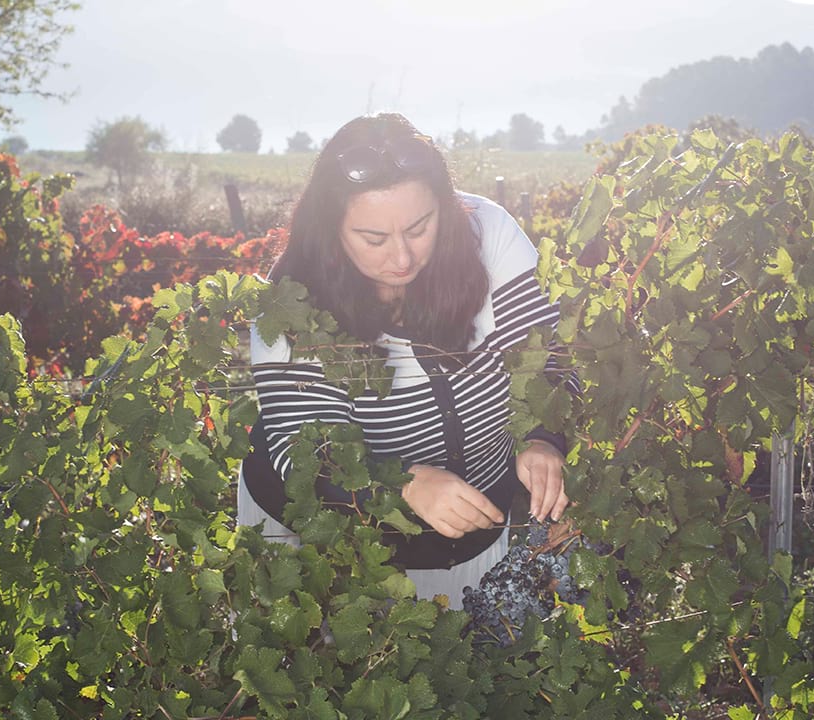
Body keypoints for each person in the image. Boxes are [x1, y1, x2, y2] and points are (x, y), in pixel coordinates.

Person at [239, 113, 570, 606]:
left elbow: (549, 359)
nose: (401, 258)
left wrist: (543, 440)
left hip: (473, 530)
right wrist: (403, 483)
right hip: (318, 539)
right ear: (332, 229)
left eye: (420, 227)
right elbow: (303, 458)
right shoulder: (292, 302)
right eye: (373, 239)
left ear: (445, 206)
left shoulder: (489, 235)